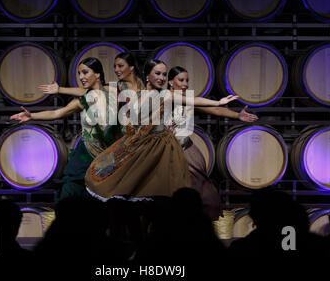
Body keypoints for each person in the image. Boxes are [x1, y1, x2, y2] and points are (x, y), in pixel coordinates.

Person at [84, 54, 238, 201]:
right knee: (120, 182)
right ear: (147, 75)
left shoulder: (166, 95)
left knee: (158, 190)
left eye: (164, 75)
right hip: (139, 144)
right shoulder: (137, 95)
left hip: (159, 147)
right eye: (158, 73)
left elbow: (193, 100)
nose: (162, 78)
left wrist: (218, 102)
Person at [10, 57, 121, 201]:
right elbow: (57, 113)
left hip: (108, 156)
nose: (81, 77)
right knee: (69, 195)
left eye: (85, 72)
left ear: (98, 74)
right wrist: (32, 116)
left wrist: (60, 89)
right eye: (79, 73)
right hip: (84, 156)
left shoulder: (112, 92)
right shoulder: (81, 101)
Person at [166, 66, 258, 220]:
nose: (185, 84)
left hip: (187, 149)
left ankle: (201, 225)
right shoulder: (166, 96)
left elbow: (213, 110)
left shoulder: (187, 98)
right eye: (181, 80)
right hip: (169, 152)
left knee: (204, 193)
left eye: (187, 80)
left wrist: (237, 115)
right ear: (170, 82)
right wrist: (219, 102)